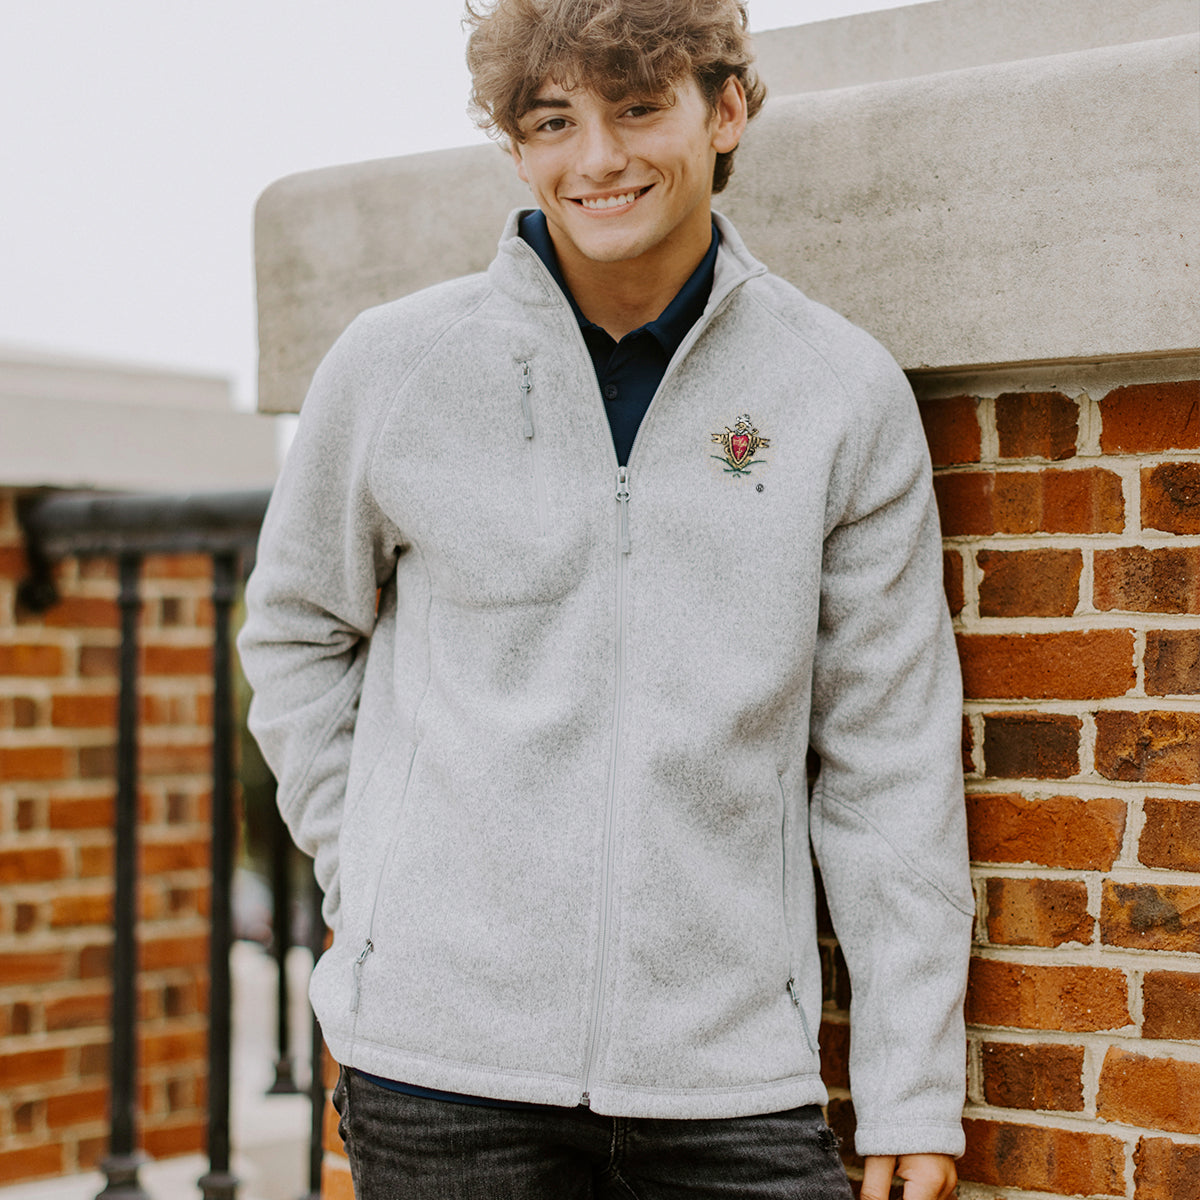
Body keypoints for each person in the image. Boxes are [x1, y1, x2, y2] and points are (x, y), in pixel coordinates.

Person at [237, 1, 973, 1196]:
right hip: (441, 1076)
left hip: (728, 1082)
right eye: (553, 120)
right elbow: (295, 633)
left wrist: (910, 1085)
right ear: (514, 142)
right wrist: (377, 868)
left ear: (724, 111)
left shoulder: (839, 391)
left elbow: (889, 758)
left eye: (637, 108)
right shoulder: (395, 366)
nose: (598, 159)